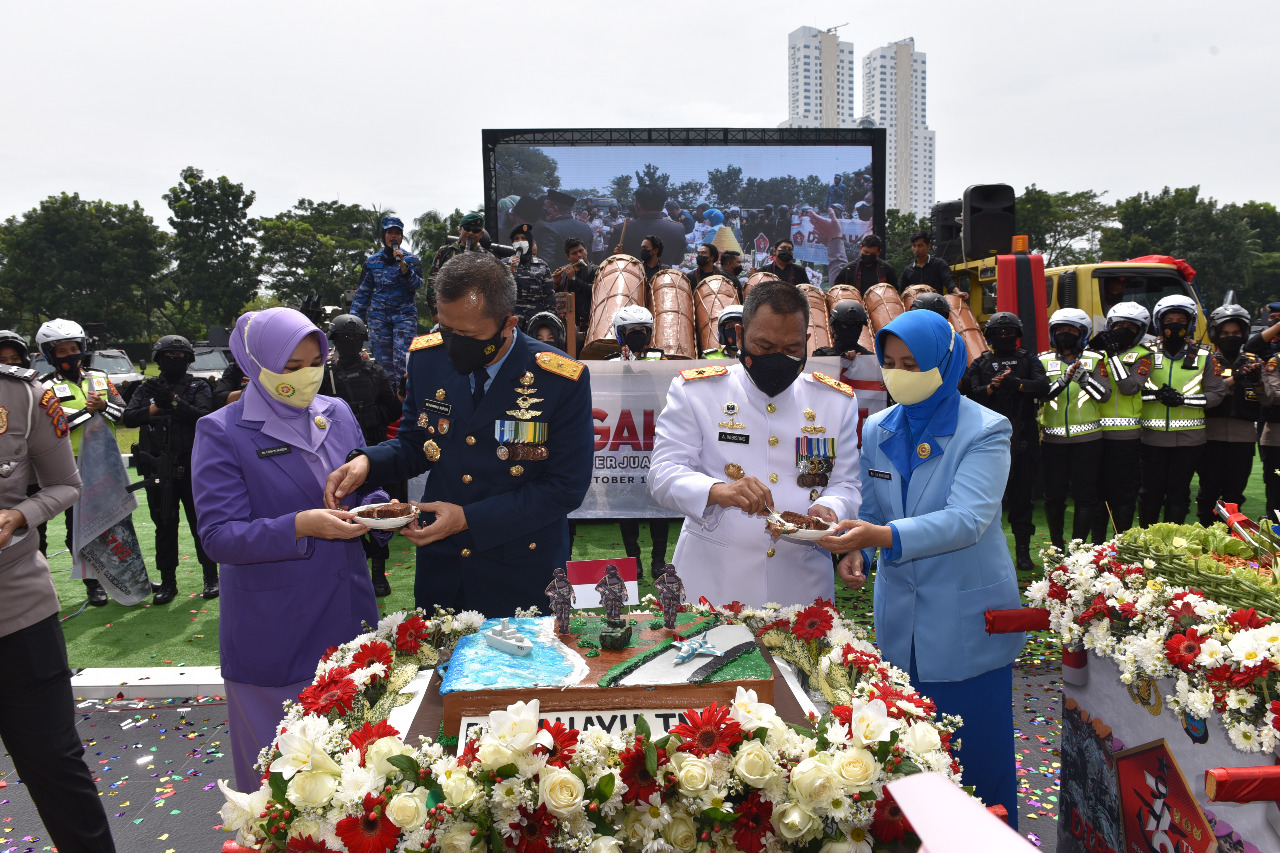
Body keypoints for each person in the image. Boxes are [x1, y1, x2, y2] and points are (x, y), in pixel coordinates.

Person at [819, 308, 1023, 826]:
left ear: (945, 362)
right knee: (911, 762)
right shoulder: (880, 428)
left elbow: (967, 519)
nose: (898, 374)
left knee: (977, 765)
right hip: (899, 625)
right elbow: (871, 509)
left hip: (966, 621)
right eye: (889, 362)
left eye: (911, 362)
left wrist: (882, 538)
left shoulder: (986, 429)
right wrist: (856, 551)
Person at [323, 251, 595, 616]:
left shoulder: (559, 379)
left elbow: (565, 488)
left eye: (467, 335)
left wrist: (469, 519)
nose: (452, 344)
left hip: (520, 568)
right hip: (444, 567)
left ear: (508, 323)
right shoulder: (427, 359)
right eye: (445, 329)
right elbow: (416, 443)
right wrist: (367, 464)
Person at [191, 307, 384, 790]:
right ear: (254, 366)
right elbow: (219, 536)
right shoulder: (221, 430)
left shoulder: (336, 412)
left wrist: (380, 511)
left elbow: (358, 493)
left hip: (349, 621)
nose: (306, 377)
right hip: (275, 633)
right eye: (290, 367)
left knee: (357, 787)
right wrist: (301, 525)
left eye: (315, 362)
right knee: (283, 792)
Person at [649, 281, 862, 606]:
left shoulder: (834, 402)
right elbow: (663, 473)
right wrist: (718, 490)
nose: (777, 358)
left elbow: (845, 483)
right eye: (763, 346)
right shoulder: (697, 392)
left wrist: (830, 509)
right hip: (713, 583)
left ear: (807, 341)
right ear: (740, 334)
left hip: (801, 586)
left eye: (791, 349)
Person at [0, 360, 118, 853]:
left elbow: (66, 485)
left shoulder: (20, 394)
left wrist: (19, 514)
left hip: (17, 611)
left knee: (54, 762)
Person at [122, 335, 218, 604]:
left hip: (192, 464)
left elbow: (203, 418)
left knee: (200, 523)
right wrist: (156, 405)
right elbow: (128, 417)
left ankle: (211, 577)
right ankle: (168, 582)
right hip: (157, 467)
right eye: (169, 355)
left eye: (180, 355)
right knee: (164, 525)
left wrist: (174, 401)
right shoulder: (147, 388)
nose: (174, 360)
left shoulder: (199, 386)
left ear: (188, 360)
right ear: (159, 360)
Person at [36, 319, 124, 606]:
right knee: (79, 525)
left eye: (75, 348)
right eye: (62, 352)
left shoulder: (99, 377)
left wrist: (102, 407)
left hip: (107, 461)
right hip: (71, 464)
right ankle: (92, 583)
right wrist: (91, 414)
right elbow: (54, 424)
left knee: (119, 521)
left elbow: (122, 411)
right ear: (50, 355)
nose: (70, 355)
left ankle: (127, 574)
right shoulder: (43, 386)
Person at [960, 312, 1048, 570]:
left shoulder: (1028, 359)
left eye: (1009, 332)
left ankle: (1022, 551)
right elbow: (970, 392)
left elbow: (1043, 385)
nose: (1004, 336)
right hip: (987, 437)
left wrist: (1017, 384)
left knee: (1023, 496)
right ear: (989, 337)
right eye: (999, 332)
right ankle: (986, 551)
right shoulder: (980, 362)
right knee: (986, 497)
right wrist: (994, 387)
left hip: (1024, 435)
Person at [324, 314, 402, 596]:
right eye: (343, 338)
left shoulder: (374, 372)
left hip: (372, 449)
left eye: (353, 338)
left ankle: (379, 574)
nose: (348, 343)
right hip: (337, 451)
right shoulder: (325, 373)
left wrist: (370, 415)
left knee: (377, 512)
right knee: (343, 510)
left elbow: (393, 410)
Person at [1138, 295, 1226, 526]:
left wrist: (1183, 400)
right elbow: (1129, 390)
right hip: (1151, 438)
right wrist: (1156, 395)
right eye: (1169, 319)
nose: (1174, 324)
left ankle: (1173, 542)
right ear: (1159, 322)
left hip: (1189, 440)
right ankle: (1145, 538)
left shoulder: (1206, 355)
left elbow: (1217, 394)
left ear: (1190, 324)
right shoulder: (1143, 352)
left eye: (1180, 319)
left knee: (1178, 493)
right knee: (1150, 492)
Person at [1037, 309, 1110, 549]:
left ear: (1083, 334)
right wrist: (1063, 380)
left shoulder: (1097, 360)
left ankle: (1079, 547)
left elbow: (1105, 396)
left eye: (1071, 330)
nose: (1064, 335)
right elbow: (1041, 396)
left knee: (1086, 496)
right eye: (1060, 330)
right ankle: (1057, 544)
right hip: (1052, 441)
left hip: (1088, 441)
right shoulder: (1043, 360)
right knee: (1054, 497)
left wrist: (1084, 379)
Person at [1086, 302, 1153, 541]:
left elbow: (1129, 387)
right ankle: (1097, 545)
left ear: (1141, 330)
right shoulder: (1095, 352)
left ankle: (1121, 544)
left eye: (1130, 327)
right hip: (1093, 433)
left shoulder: (1145, 356)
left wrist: (1113, 356)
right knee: (1097, 492)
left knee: (1123, 494)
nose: (1123, 330)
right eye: (1118, 325)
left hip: (1126, 436)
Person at [1196, 304, 1263, 525]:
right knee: (1209, 490)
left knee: (1235, 494)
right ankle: (1205, 533)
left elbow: (1268, 398)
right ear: (1215, 333)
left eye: (1235, 333)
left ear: (1244, 334)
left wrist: (1257, 381)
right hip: (1210, 435)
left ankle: (1231, 538)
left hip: (1243, 436)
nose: (1231, 337)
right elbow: (1204, 394)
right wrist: (1235, 378)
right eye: (1225, 333)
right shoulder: (1205, 360)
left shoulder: (1255, 362)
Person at [351, 216, 423, 384]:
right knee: (383, 365)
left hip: (403, 317)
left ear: (402, 237)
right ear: (384, 235)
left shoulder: (411, 260)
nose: (394, 236)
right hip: (379, 318)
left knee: (403, 362)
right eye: (390, 232)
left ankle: (405, 401)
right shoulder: (372, 262)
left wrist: (403, 266)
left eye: (397, 233)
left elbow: (416, 285)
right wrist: (355, 323)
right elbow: (362, 295)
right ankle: (389, 402)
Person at [1247, 301, 1280, 516]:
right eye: (1273, 318)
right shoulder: (1270, 345)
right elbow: (1251, 348)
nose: (1273, 320)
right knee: (1273, 471)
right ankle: (1274, 515)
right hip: (1271, 412)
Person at [612, 185, 689, 265]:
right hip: (663, 276)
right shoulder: (677, 229)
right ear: (663, 206)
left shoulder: (622, 229)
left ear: (637, 205)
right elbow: (677, 261)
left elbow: (609, 262)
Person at [507, 222, 556, 328]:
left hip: (536, 321)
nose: (520, 242)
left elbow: (549, 297)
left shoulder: (542, 265)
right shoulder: (503, 264)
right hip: (511, 323)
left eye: (523, 238)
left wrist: (549, 322)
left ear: (529, 241)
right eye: (516, 239)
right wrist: (510, 273)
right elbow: (498, 294)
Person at [534, 190, 594, 271]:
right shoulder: (586, 227)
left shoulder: (549, 229)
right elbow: (588, 258)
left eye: (545, 208)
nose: (543, 210)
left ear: (554, 209)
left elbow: (545, 263)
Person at [552, 237, 597, 335]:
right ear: (568, 257)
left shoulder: (595, 270)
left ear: (586, 250)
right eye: (574, 253)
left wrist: (574, 279)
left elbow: (595, 290)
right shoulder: (564, 272)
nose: (579, 255)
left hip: (587, 322)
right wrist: (556, 283)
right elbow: (556, 297)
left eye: (581, 251)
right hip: (565, 322)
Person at [900, 230, 960, 296]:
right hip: (914, 305)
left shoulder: (939, 264)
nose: (916, 249)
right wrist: (907, 290)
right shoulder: (908, 270)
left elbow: (949, 282)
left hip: (935, 304)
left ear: (928, 246)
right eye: (914, 246)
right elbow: (902, 293)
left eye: (920, 246)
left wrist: (958, 292)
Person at [545, 567, 575, 634]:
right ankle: (561, 627)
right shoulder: (554, 583)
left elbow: (571, 589)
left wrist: (573, 596)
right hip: (558, 602)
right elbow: (547, 591)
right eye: (560, 574)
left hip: (566, 600)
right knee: (559, 615)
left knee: (566, 615)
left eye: (562, 574)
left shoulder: (566, 581)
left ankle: (566, 627)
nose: (561, 576)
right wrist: (553, 595)